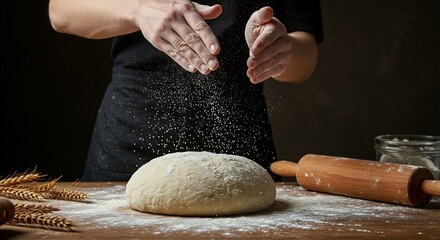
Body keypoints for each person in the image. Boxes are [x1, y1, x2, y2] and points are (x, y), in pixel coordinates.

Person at [48, 0, 323, 181]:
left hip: (240, 150)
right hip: (130, 139)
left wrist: (279, 49)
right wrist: (137, 10)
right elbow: (61, 11)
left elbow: (305, 56)